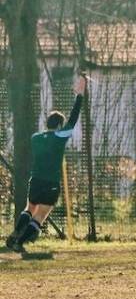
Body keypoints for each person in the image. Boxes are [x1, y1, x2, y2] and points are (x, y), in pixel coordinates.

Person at [6, 75, 87, 253]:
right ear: (59, 125)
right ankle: (20, 242)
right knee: (40, 215)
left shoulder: (36, 138)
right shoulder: (59, 137)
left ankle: (15, 234)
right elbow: (73, 119)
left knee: (29, 208)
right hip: (50, 183)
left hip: (35, 180)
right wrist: (80, 94)